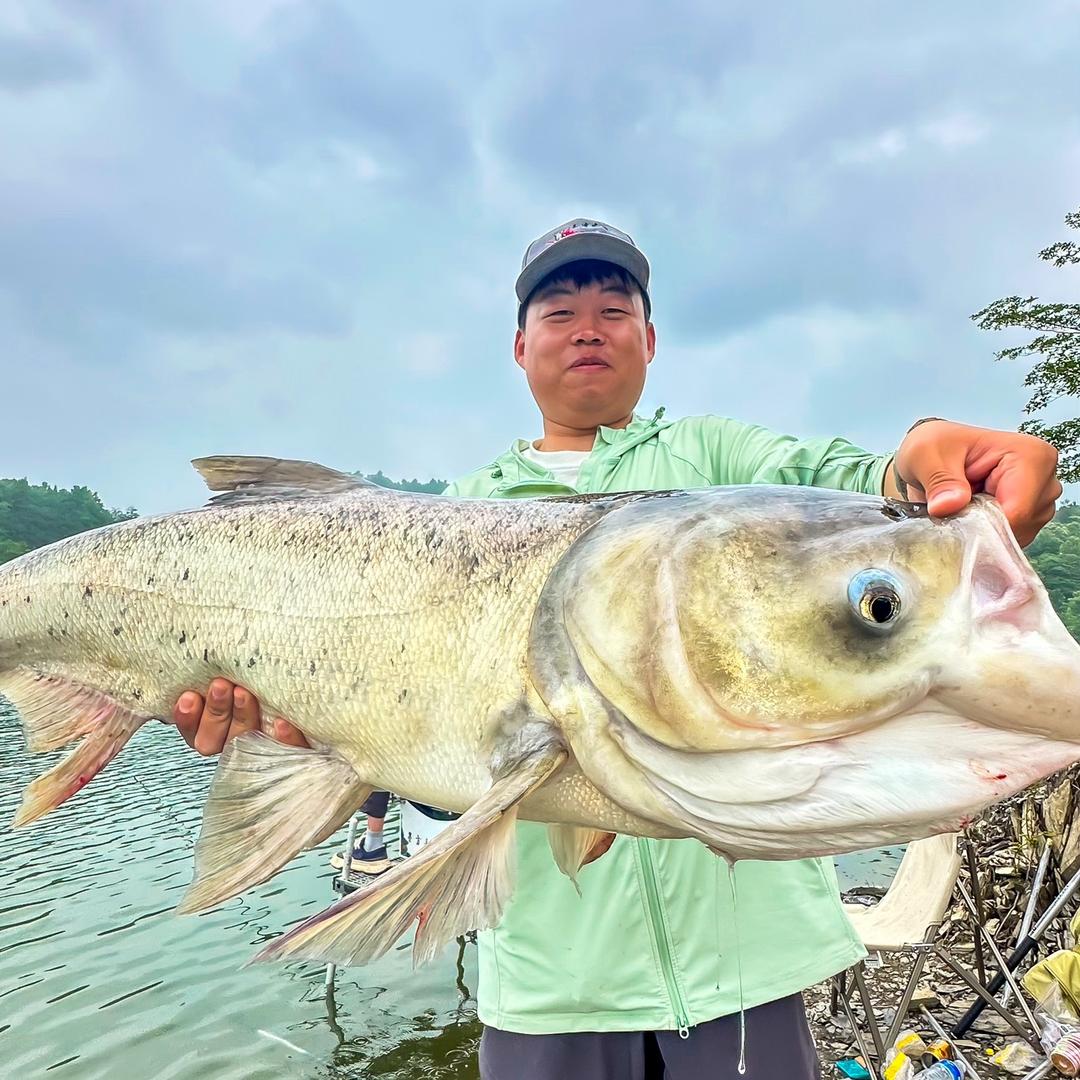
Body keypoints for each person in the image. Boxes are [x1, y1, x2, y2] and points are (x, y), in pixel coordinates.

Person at [172, 219, 1061, 1079]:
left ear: (650, 338)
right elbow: (429, 783)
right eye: (559, 313)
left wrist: (924, 462)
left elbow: (853, 488)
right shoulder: (460, 511)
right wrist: (311, 733)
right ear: (520, 348)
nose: (587, 329)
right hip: (552, 983)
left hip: (748, 968)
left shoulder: (718, 456)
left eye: (613, 308)